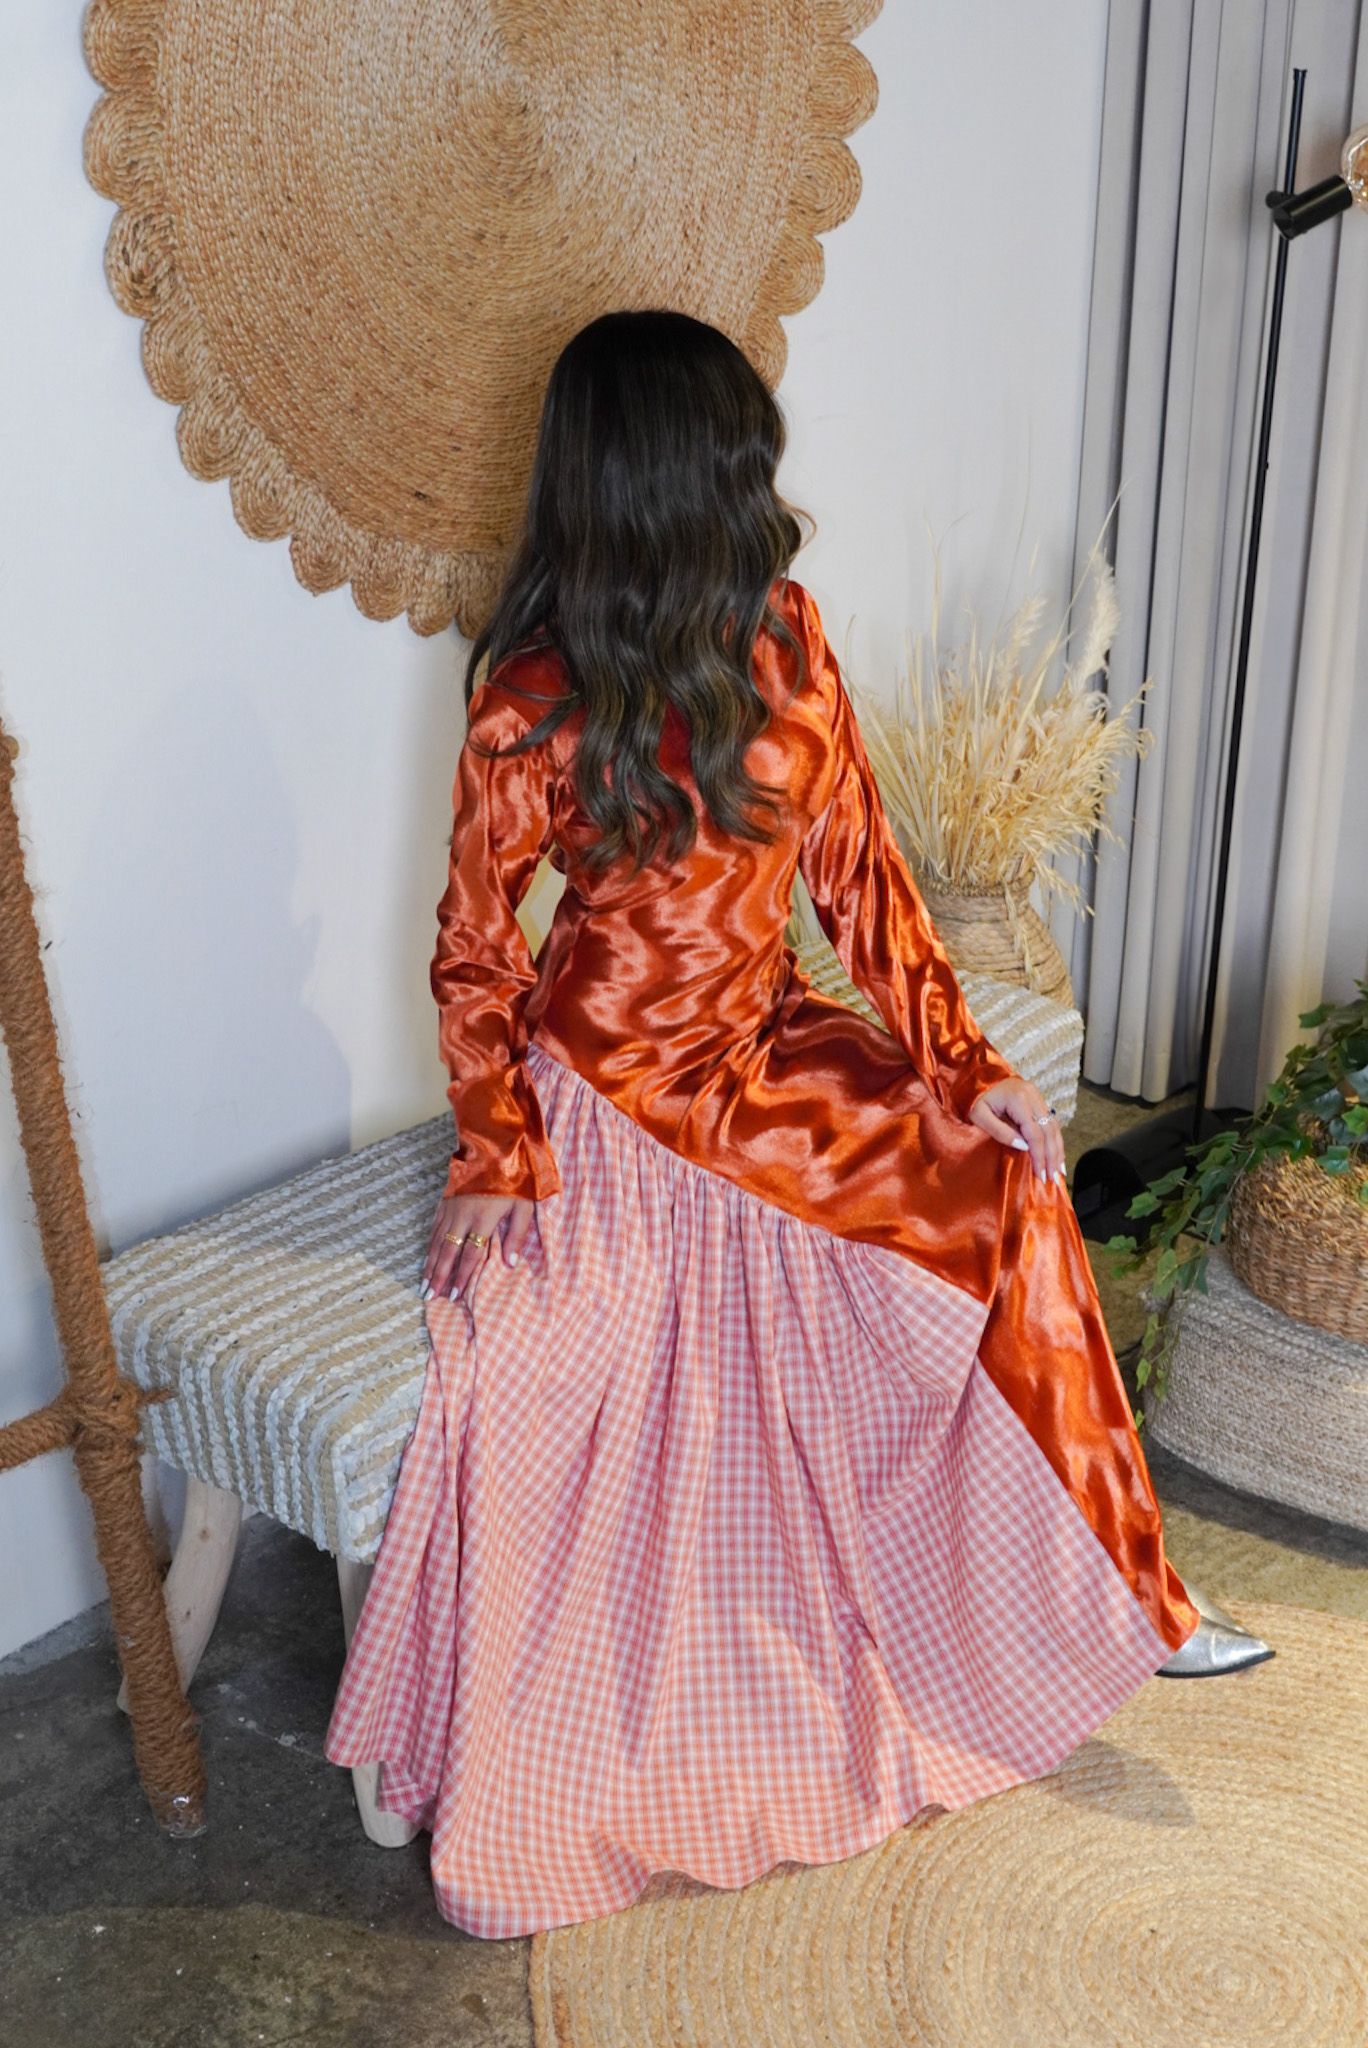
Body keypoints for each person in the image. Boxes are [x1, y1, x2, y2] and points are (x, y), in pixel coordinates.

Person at [325, 308, 1272, 1940]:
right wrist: (499, 1149)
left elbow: (863, 878)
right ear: (668, 476)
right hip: (616, 1099)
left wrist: (961, 1060)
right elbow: (477, 949)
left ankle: (1125, 1592)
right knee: (554, 1368)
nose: (771, 478)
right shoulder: (532, 697)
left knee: (1010, 1185)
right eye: (742, 452)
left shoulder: (790, 634)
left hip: (771, 1053)